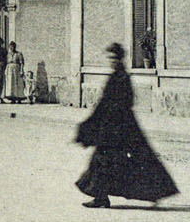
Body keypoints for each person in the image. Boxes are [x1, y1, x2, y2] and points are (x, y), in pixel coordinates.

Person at [74, 43, 179, 208]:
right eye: (110, 58)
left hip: (120, 129)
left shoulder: (122, 77)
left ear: (119, 59)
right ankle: (102, 197)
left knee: (118, 161)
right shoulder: (117, 76)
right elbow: (104, 105)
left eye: (113, 58)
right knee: (105, 162)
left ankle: (151, 192)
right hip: (114, 128)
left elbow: (122, 103)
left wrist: (101, 122)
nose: (111, 61)